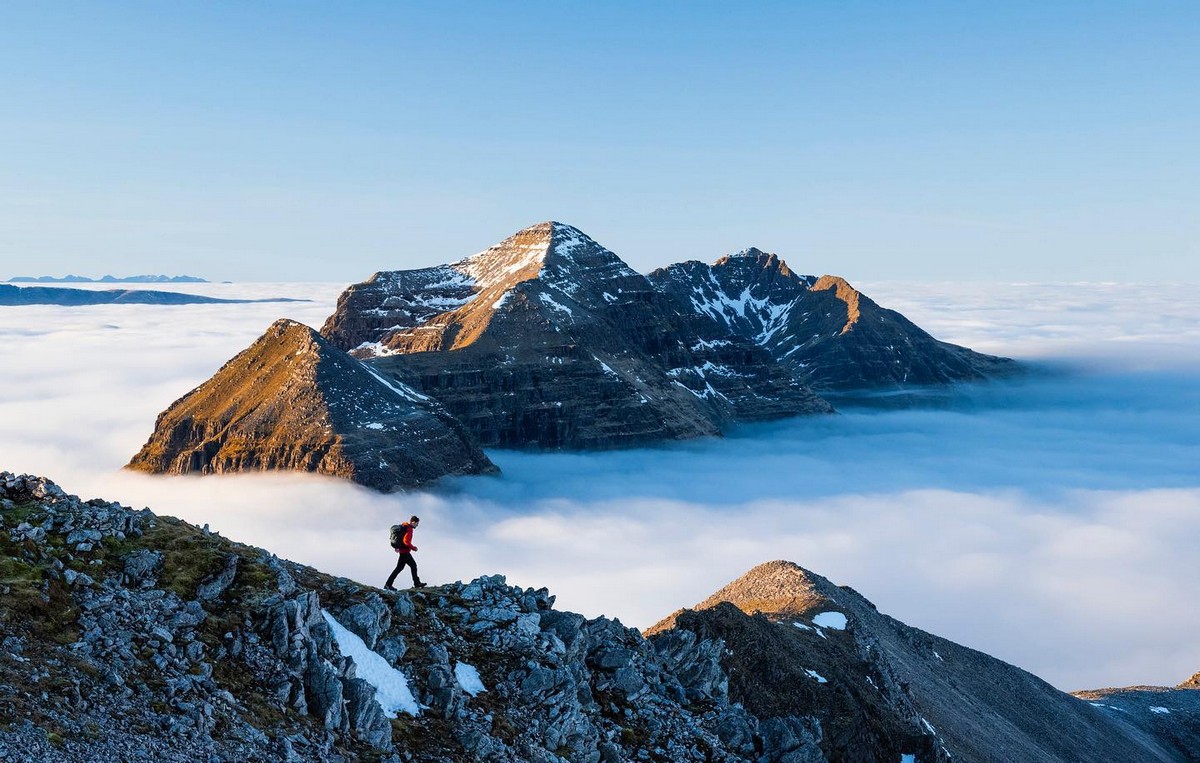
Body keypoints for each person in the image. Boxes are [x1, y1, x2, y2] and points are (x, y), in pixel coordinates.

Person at [385, 515, 427, 590]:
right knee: (399, 568)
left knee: (412, 566)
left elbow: (400, 539)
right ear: (413, 522)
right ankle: (388, 585)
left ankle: (417, 583)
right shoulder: (409, 529)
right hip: (405, 552)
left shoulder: (404, 526)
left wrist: (397, 546)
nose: (417, 525)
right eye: (417, 524)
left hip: (404, 551)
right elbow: (406, 541)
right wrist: (413, 548)